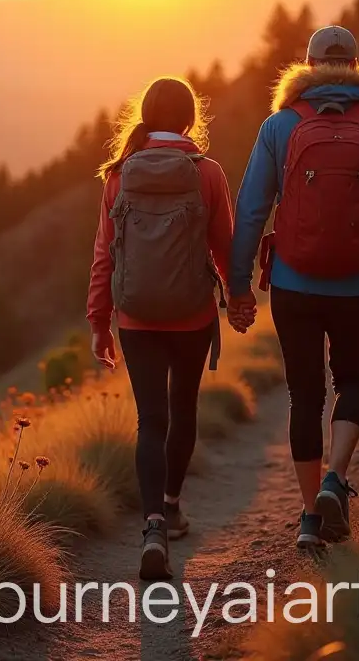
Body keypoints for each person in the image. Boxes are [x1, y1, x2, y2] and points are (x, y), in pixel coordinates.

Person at [228, 25, 359, 549]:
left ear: (308, 66)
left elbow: (250, 210)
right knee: (352, 381)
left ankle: (311, 516)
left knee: (304, 395)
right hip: (356, 283)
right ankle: (336, 476)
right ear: (356, 68)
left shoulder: (279, 127)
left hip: (293, 283)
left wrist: (238, 285)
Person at [87, 76, 236, 580]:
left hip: (136, 317)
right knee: (183, 407)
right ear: (191, 121)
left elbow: (104, 256)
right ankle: (171, 506)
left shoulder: (118, 175)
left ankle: (151, 526)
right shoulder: (208, 173)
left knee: (150, 419)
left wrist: (99, 322)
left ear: (145, 118)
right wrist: (238, 302)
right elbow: (224, 246)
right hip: (191, 315)